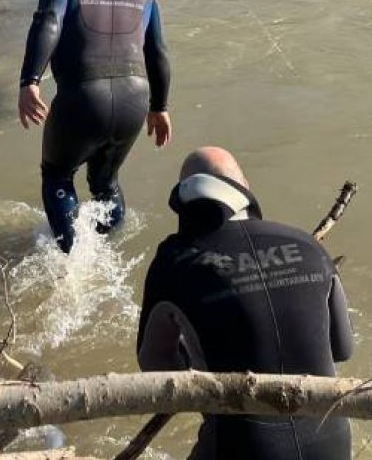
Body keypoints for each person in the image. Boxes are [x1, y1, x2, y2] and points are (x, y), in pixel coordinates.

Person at [137, 147, 354, 460]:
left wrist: (199, 350)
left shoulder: (174, 261)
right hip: (331, 439)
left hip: (240, 447)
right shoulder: (306, 245)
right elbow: (342, 349)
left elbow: (155, 367)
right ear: (245, 188)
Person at [18, 0, 172, 253]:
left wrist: (29, 81)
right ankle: (108, 256)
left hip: (83, 98)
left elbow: (50, 22)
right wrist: (159, 107)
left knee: (58, 176)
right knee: (105, 183)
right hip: (135, 99)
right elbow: (157, 51)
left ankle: (73, 264)